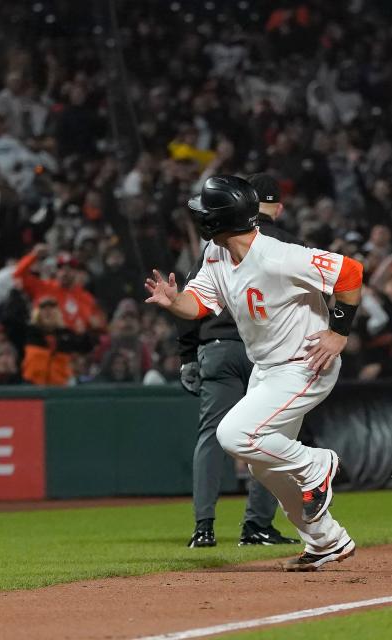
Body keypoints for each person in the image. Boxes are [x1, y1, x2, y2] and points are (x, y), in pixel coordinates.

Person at [145, 175, 363, 571]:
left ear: (217, 219)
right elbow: (200, 304)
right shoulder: (216, 251)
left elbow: (349, 273)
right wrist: (175, 301)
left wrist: (337, 333)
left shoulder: (279, 255)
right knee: (264, 464)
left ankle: (318, 465)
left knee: (234, 435)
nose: (199, 214)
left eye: (206, 209)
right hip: (268, 369)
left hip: (307, 363)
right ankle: (326, 541)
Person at [176, 173, 302, 548]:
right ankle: (257, 526)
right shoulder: (287, 245)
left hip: (217, 347)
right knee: (269, 436)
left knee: (212, 436)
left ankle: (204, 527)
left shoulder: (216, 244)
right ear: (277, 207)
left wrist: (187, 356)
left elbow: (189, 299)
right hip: (269, 353)